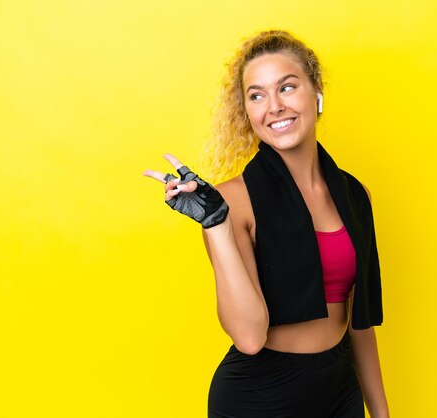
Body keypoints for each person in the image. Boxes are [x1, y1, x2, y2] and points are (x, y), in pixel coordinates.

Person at [143, 29, 389, 418]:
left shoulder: (355, 195)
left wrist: (380, 412)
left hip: (339, 390)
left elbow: (359, 323)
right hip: (259, 398)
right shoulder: (231, 202)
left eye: (287, 88)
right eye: (257, 95)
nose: (273, 106)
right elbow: (250, 336)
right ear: (247, 111)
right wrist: (216, 225)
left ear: (316, 91)